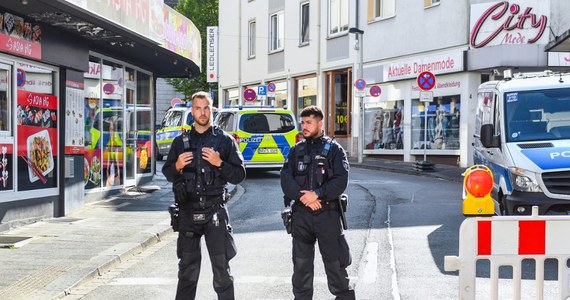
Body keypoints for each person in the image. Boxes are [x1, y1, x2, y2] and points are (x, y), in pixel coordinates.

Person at [162, 91, 246, 300]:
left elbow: (239, 175)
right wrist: (178, 165)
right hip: (188, 211)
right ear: (192, 111)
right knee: (187, 272)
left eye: (206, 108)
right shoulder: (181, 142)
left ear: (212, 109)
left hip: (215, 211)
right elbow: (167, 172)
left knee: (221, 272)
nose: (202, 112)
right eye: (198, 108)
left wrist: (220, 163)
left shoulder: (224, 141)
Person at [280, 105, 355, 299]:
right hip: (301, 217)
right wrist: (303, 197)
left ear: (320, 123)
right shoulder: (296, 150)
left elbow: (341, 181)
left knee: (336, 267)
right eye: (302, 122)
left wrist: (318, 194)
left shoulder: (335, 150)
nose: (304, 126)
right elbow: (285, 179)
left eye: (309, 123)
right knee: (301, 269)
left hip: (327, 215)